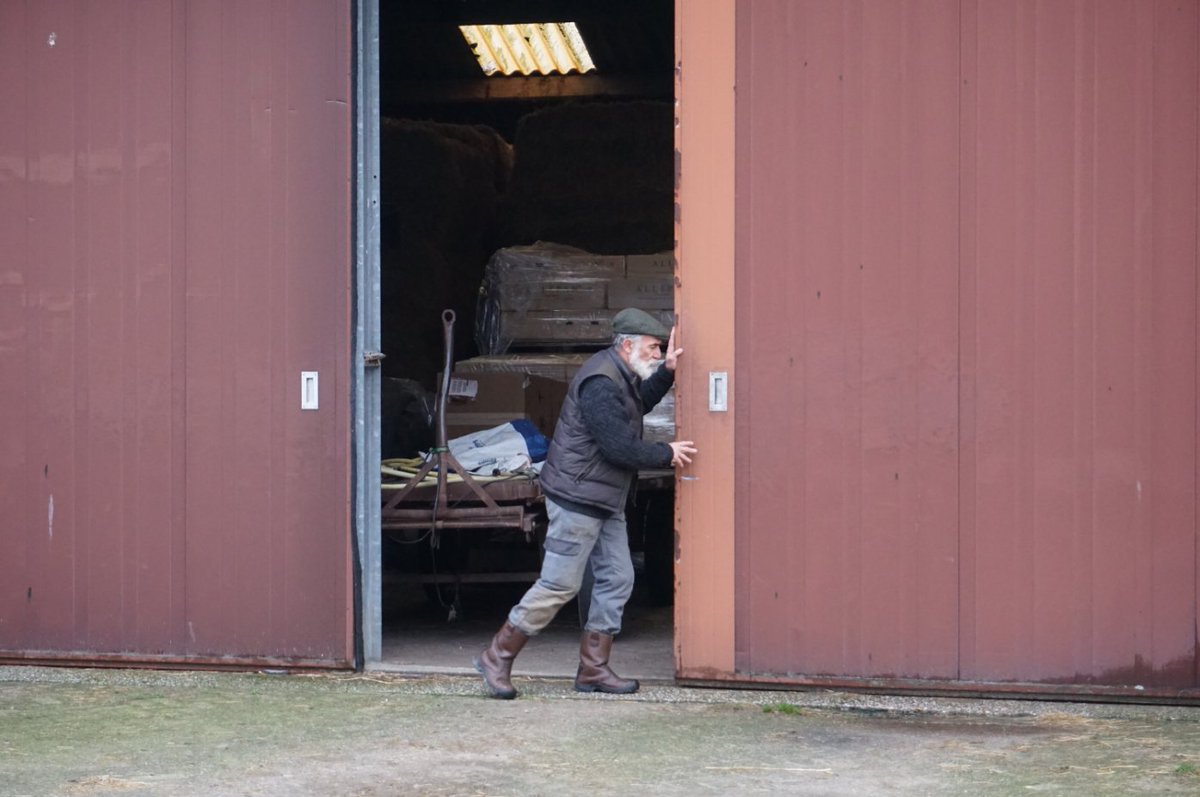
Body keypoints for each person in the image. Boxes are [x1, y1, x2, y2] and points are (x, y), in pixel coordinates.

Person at [474, 308, 698, 699]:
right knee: (559, 584)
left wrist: (668, 372)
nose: (658, 353)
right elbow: (618, 447)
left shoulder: (621, 374)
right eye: (654, 348)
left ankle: (593, 669)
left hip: (602, 498)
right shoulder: (600, 382)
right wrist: (666, 452)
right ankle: (496, 656)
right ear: (627, 344)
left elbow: (636, 406)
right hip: (578, 497)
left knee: (617, 578)